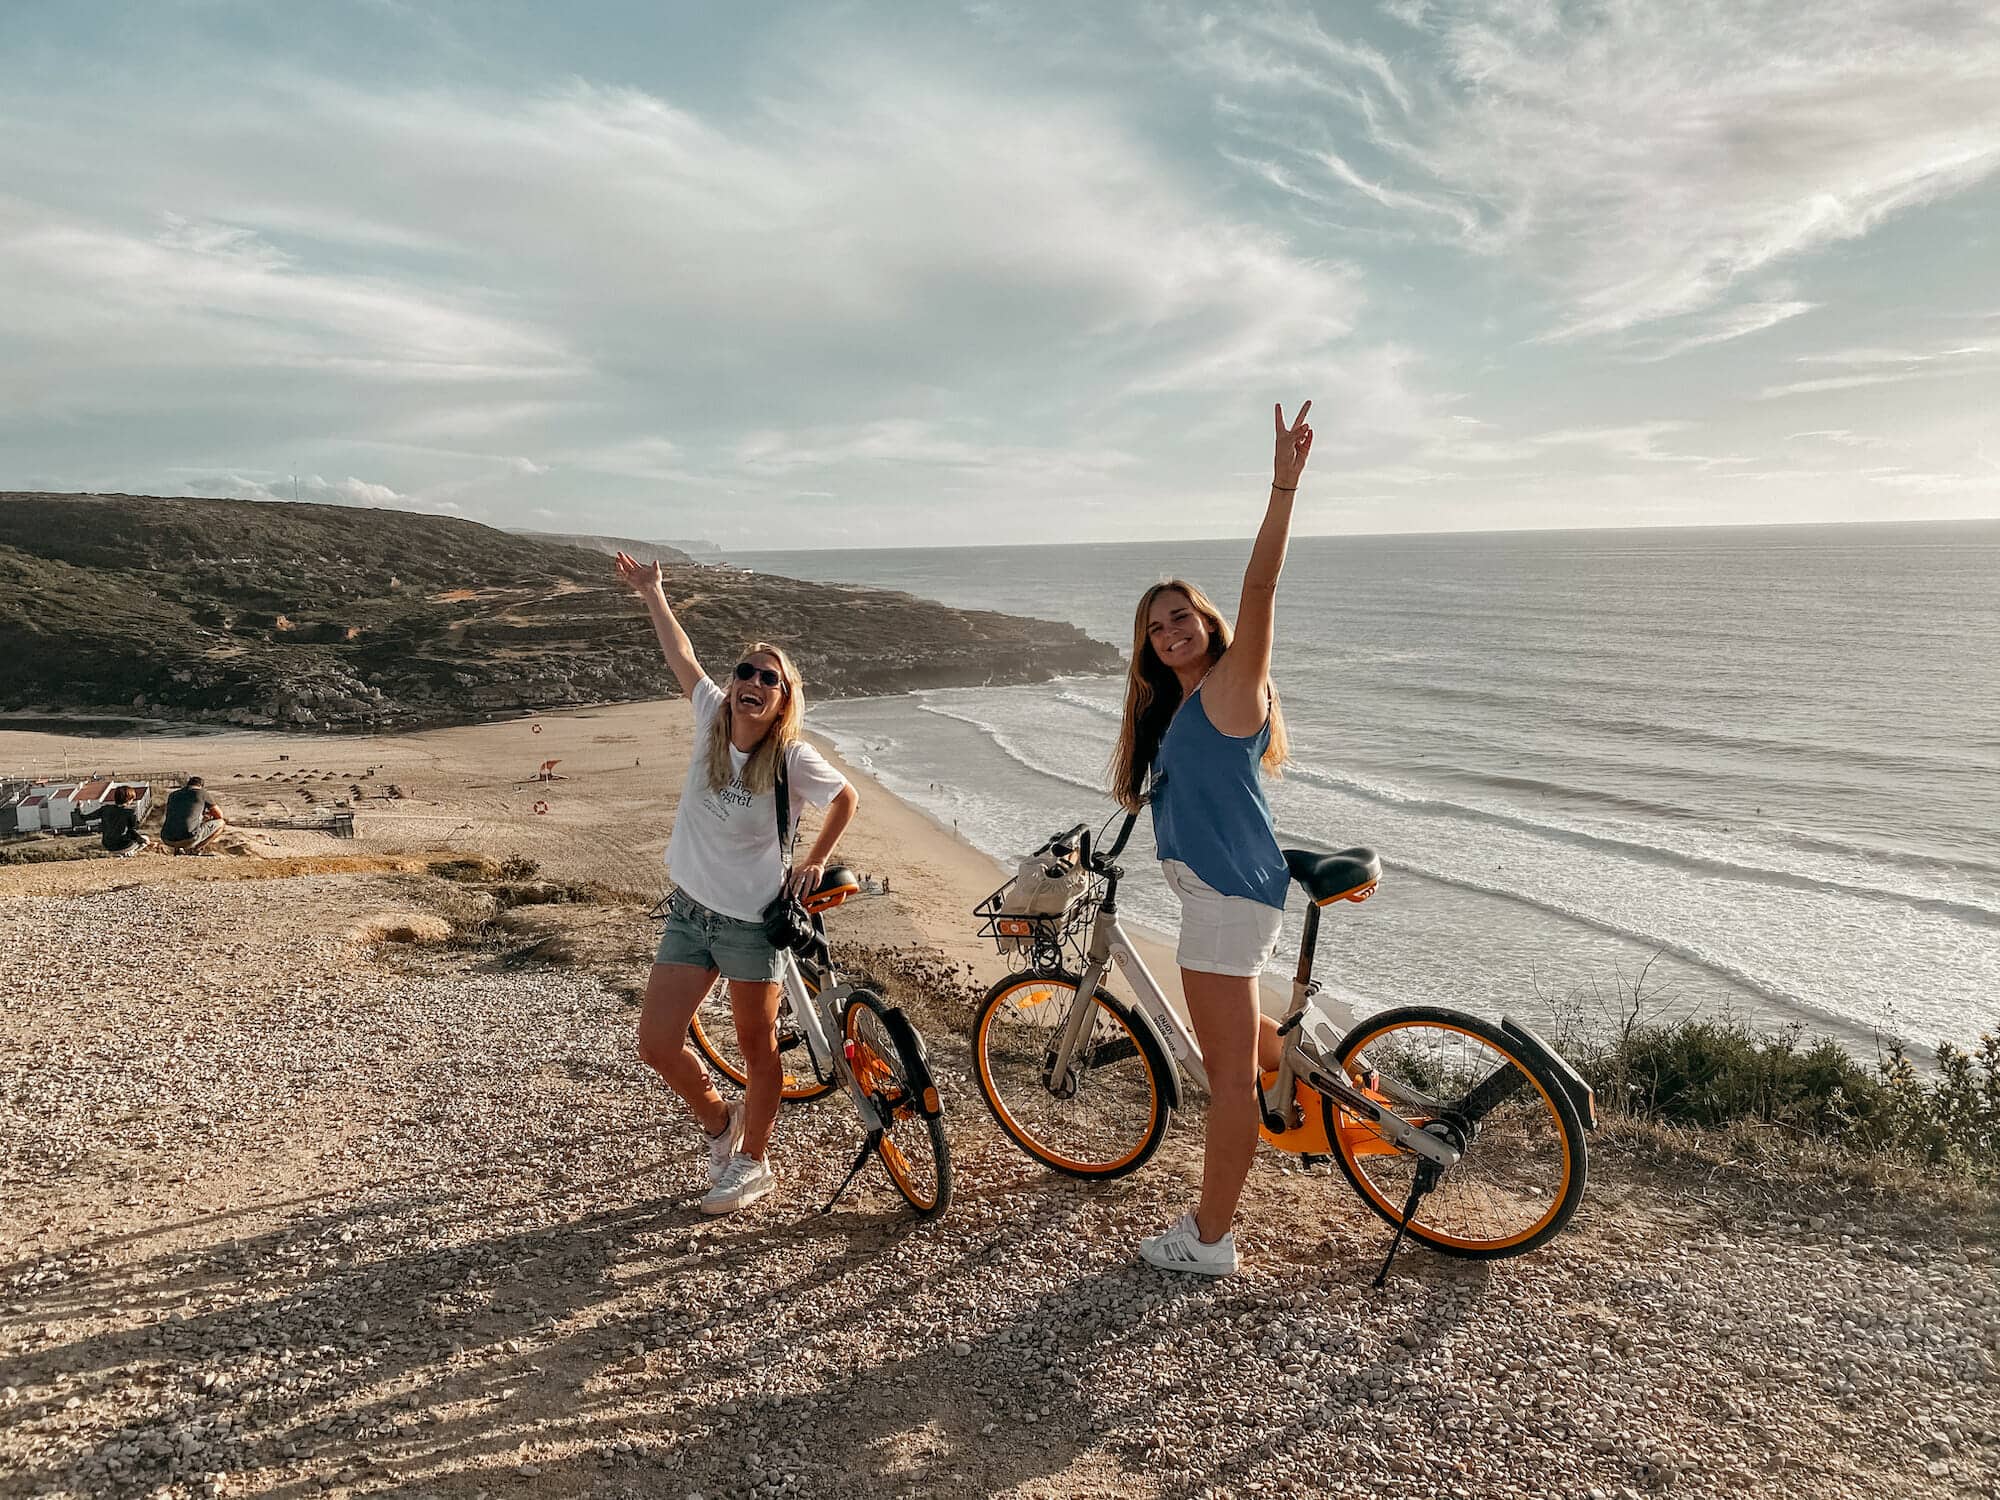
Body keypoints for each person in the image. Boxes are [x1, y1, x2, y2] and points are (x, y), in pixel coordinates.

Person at [1108, 400, 1314, 1278]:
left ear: (1208, 622)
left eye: (1181, 615)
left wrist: (1282, 485)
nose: (1170, 631)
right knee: (1241, 1038)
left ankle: (1211, 1238)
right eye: (1156, 627)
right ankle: (1321, 1087)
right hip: (1224, 894)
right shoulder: (1180, 709)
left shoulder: (1234, 685)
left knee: (1225, 1078)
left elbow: (1261, 587)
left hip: (1229, 900)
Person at [615, 550, 859, 1215]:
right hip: (691, 912)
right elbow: (680, 652)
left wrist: (813, 859)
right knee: (657, 1042)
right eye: (745, 671)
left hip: (753, 924)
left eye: (768, 678)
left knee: (756, 1047)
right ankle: (722, 1125)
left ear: (782, 699)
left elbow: (846, 798)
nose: (752, 682)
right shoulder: (709, 715)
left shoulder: (792, 757)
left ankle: (754, 1163)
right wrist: (653, 592)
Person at [160, 776, 226, 855]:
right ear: (201, 786)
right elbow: (219, 815)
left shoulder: (173, 795)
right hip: (189, 838)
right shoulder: (202, 793)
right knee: (221, 823)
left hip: (167, 838)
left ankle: (178, 850)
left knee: (179, 818)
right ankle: (196, 849)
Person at [85, 785, 149, 857]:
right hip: (123, 845)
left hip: (107, 845)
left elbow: (86, 817)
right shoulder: (130, 812)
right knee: (146, 838)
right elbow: (132, 832)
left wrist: (78, 809)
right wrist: (142, 840)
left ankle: (121, 853)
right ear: (129, 799)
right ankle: (130, 852)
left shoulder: (105, 809)